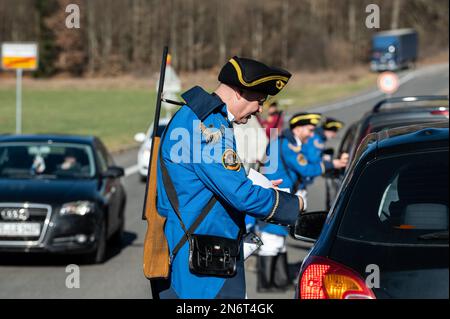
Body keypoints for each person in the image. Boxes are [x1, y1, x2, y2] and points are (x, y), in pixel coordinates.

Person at [154, 56, 305, 299]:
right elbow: (241, 195)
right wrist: (293, 205)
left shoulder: (196, 117)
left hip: (200, 256)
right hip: (204, 267)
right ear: (238, 92)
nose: (260, 108)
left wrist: (255, 182)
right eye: (259, 99)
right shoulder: (208, 125)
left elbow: (207, 177)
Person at [255, 113, 348, 292]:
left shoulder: (289, 143)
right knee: (271, 239)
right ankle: (265, 284)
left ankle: (279, 280)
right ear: (298, 128)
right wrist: (331, 165)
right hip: (277, 196)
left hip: (283, 195)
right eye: (309, 130)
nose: (312, 134)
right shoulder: (288, 145)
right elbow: (305, 167)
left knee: (280, 240)